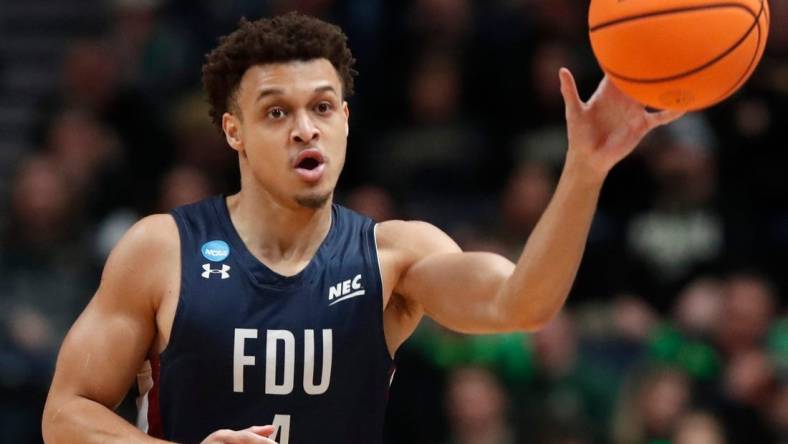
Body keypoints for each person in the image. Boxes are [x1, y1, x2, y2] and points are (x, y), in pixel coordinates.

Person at [41, 12, 682, 444]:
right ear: (232, 131)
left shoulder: (393, 257)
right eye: (275, 112)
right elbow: (64, 414)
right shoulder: (162, 249)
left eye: (322, 108)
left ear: (345, 121)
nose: (304, 128)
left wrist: (584, 171)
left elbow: (523, 302)